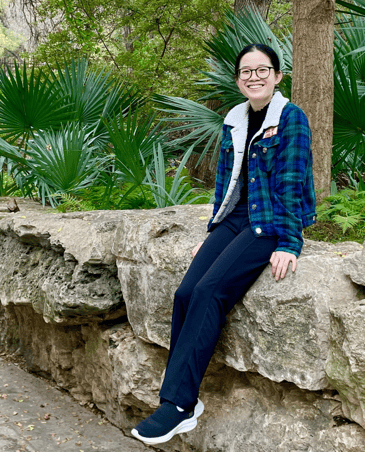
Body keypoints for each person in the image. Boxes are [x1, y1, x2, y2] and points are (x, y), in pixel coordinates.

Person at [131, 43, 316, 446]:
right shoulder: (234, 120)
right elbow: (225, 184)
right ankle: (183, 404)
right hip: (235, 219)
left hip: (269, 222)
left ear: (277, 76)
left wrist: (289, 242)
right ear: (238, 80)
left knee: (211, 291)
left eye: (262, 70)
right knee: (185, 292)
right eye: (246, 71)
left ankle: (177, 404)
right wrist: (212, 234)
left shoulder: (291, 118)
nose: (254, 77)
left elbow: (289, 184)